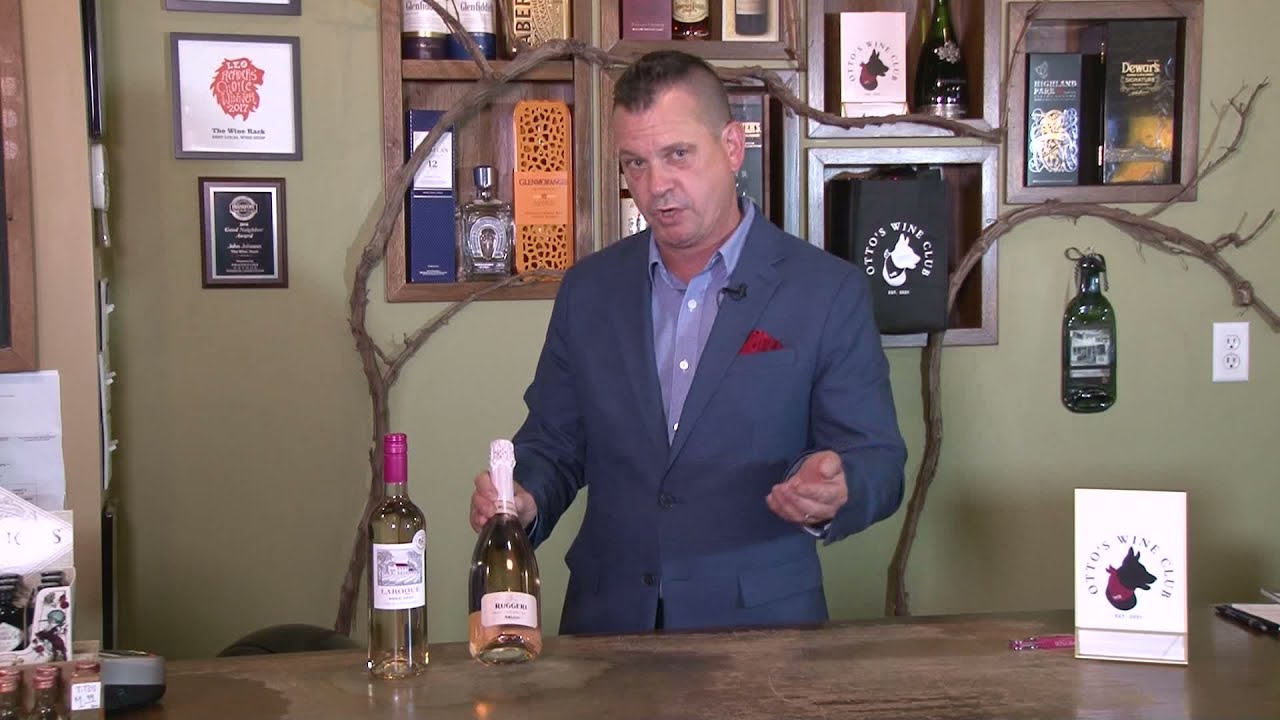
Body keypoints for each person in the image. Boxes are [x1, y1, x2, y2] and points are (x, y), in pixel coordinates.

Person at [469, 50, 906, 635]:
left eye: (678, 154)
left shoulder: (826, 291)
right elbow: (554, 443)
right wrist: (525, 499)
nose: (656, 187)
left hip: (763, 633)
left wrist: (840, 487)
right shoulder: (589, 289)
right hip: (607, 628)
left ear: (732, 147)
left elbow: (879, 460)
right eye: (636, 163)